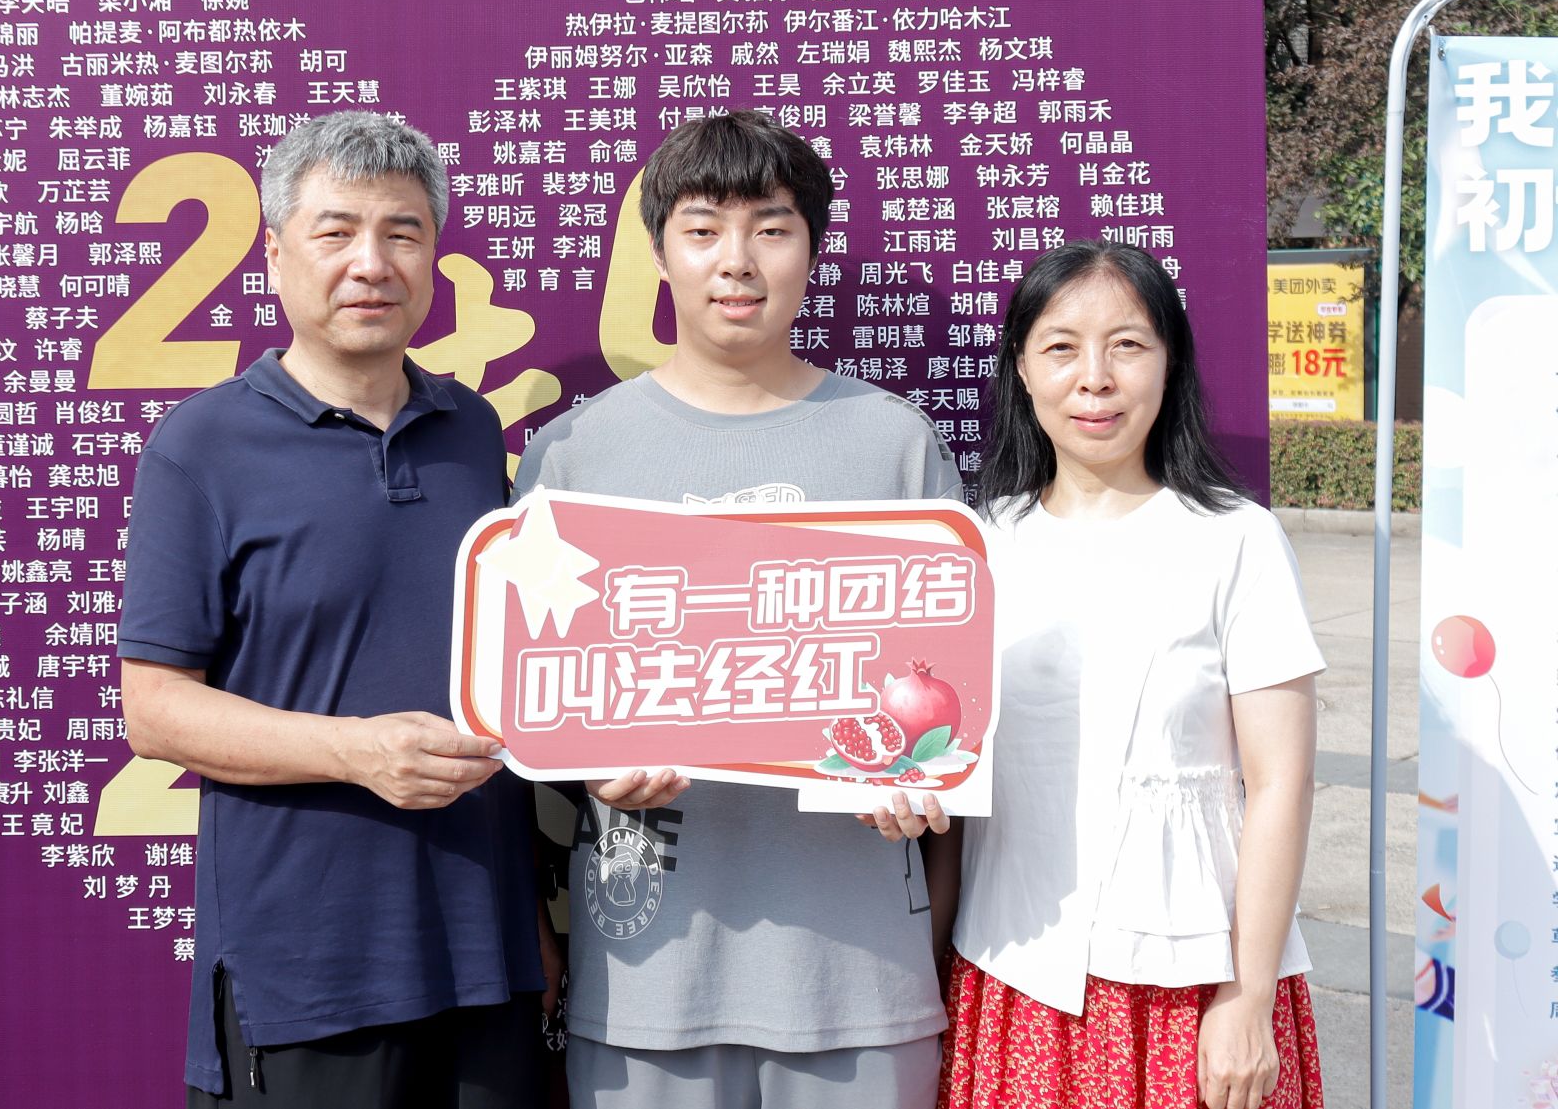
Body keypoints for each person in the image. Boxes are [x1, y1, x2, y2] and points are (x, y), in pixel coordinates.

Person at [514, 109, 961, 1109]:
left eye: (771, 227)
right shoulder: (575, 457)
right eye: (703, 227)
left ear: (811, 248)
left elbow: (952, 708)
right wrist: (587, 763)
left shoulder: (895, 447)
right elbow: (527, 702)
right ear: (658, 250)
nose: (737, 260)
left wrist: (921, 782)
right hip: (643, 979)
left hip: (859, 977)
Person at [118, 111, 555, 1109]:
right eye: (337, 231)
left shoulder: (470, 429)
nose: (372, 263)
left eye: (403, 232)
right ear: (275, 255)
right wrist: (355, 751)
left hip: (486, 958)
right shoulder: (200, 446)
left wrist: (530, 916)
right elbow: (156, 709)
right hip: (307, 971)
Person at [942, 241, 1325, 1109]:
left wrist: (1247, 996)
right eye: (1062, 347)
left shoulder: (1236, 539)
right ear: (1021, 368)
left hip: (1195, 987)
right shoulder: (979, 545)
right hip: (1013, 974)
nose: (1096, 378)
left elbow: (1282, 780)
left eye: (1127, 345)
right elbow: (953, 787)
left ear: (1170, 361)